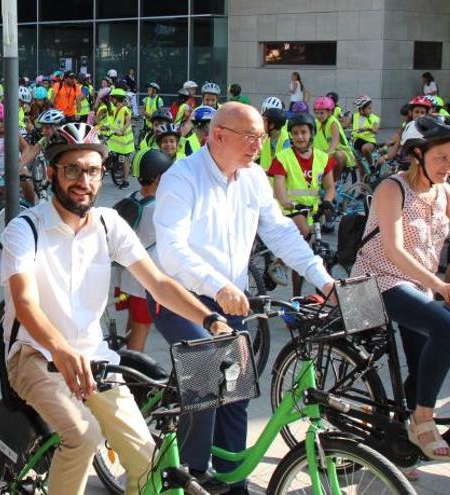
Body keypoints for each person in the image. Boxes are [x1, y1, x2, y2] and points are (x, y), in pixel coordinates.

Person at [1, 122, 233, 495]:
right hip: (35, 355)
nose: (83, 180)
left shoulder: (109, 224)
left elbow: (157, 283)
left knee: (147, 459)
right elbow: (25, 303)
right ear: (51, 172)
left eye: (92, 171)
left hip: (96, 359)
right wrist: (60, 349)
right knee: (83, 435)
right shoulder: (25, 229)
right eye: (72, 169)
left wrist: (209, 318)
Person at [150, 102, 335, 494]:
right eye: (250, 137)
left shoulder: (253, 178)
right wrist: (217, 284)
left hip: (231, 300)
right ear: (218, 135)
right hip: (182, 297)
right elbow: (171, 248)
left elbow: (281, 233)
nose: (258, 145)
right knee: (208, 378)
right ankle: (190, 477)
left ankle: (233, 483)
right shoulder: (182, 177)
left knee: (237, 394)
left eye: (262, 137)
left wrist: (324, 281)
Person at [351, 115, 450, 463]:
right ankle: (422, 419)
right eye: (442, 158)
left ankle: (396, 444)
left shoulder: (444, 193)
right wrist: (438, 284)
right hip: (376, 283)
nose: (447, 166)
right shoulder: (392, 188)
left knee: (424, 361)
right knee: (445, 328)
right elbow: (393, 250)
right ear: (417, 155)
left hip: (419, 287)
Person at [267, 112, 337, 297]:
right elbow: (279, 185)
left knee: (311, 251)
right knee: (307, 240)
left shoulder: (323, 158)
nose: (299, 137)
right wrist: (285, 201)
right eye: (295, 133)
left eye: (303, 132)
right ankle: (296, 294)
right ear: (290, 134)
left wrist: (328, 201)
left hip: (313, 211)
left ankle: (314, 291)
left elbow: (330, 187)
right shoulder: (283, 157)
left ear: (311, 133)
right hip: (290, 210)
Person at [115, 149, 175, 352]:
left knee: (133, 325)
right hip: (145, 283)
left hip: (127, 278)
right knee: (141, 329)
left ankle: (126, 360)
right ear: (159, 178)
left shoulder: (131, 197)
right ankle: (132, 377)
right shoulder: (159, 210)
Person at [0, 104, 33, 248]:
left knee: (28, 188)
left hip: (17, 169)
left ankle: (32, 217)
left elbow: (26, 148)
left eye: (2, 121)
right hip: (0, 172)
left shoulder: (14, 133)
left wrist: (21, 163)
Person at [312, 96, 353, 181]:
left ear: (329, 112)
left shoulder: (332, 122)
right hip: (323, 154)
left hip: (342, 154)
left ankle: (336, 182)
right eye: (316, 113)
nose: (318, 116)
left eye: (321, 113)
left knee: (337, 155)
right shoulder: (316, 122)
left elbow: (335, 140)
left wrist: (328, 153)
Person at [106, 88, 134, 187]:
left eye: (112, 98)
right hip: (116, 141)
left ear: (117, 99)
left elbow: (128, 122)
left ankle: (125, 181)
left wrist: (121, 130)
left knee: (123, 160)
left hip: (125, 142)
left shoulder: (125, 109)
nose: (111, 100)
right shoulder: (114, 109)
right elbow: (112, 122)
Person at [350, 95, 381, 172]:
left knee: (365, 148)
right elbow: (344, 124)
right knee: (361, 171)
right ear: (361, 109)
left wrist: (368, 128)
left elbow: (375, 130)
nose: (371, 110)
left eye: (371, 108)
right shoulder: (354, 116)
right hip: (356, 142)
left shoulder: (374, 118)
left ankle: (371, 165)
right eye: (369, 108)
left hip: (369, 142)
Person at [258, 108, 289, 172]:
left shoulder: (286, 142)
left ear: (272, 125)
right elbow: (256, 153)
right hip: (264, 179)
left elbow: (285, 167)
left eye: (264, 121)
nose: (261, 123)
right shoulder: (264, 136)